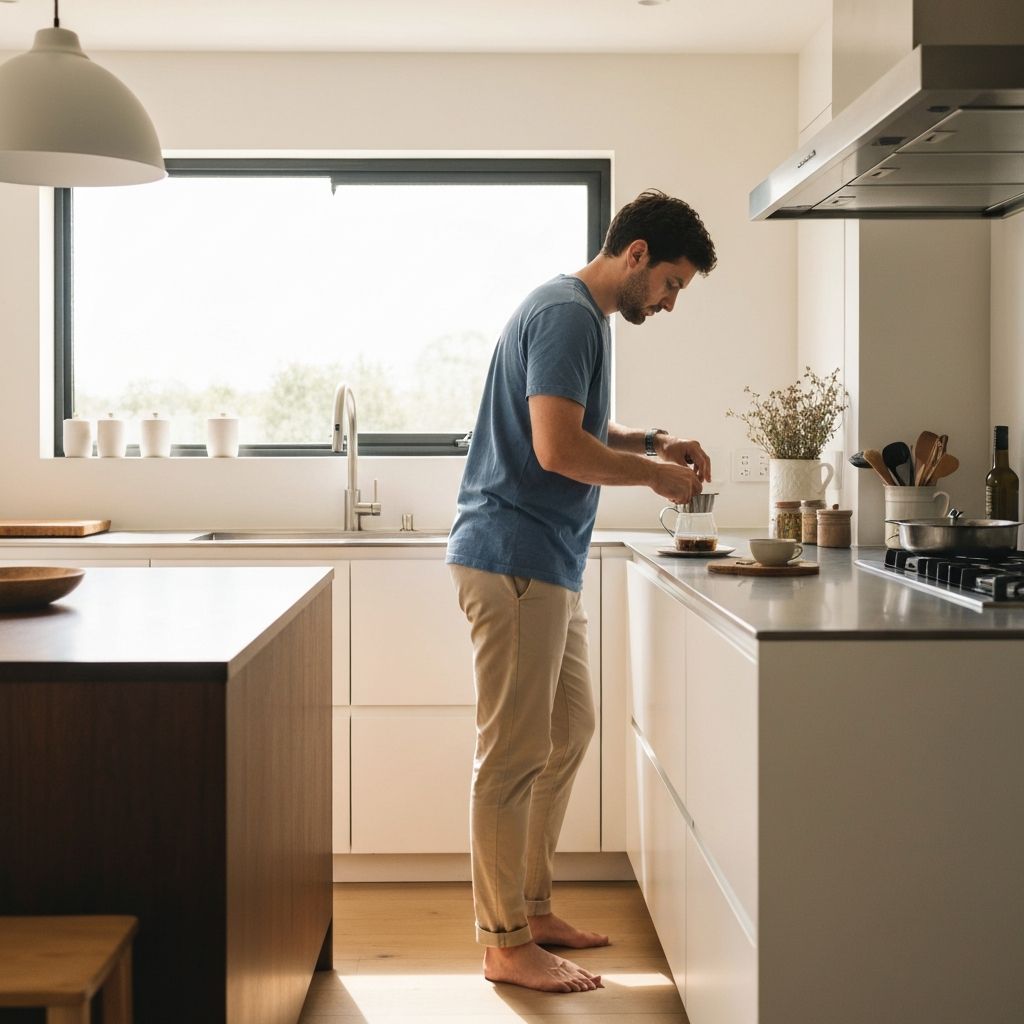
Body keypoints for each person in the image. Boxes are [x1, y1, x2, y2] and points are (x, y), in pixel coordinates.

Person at [446, 189, 717, 994]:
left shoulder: (580, 317)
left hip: (544, 561)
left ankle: (529, 910)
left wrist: (655, 439)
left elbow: (582, 425)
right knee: (513, 755)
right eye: (670, 283)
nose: (668, 303)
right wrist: (658, 477)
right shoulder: (567, 314)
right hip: (515, 559)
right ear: (635, 254)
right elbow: (558, 448)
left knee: (568, 730)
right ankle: (503, 942)